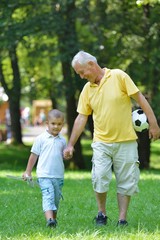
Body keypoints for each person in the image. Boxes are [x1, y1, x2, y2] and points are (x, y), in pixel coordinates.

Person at [63, 51, 160, 227]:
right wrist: (70, 144)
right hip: (101, 142)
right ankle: (102, 214)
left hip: (126, 141)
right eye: (79, 74)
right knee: (99, 177)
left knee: (126, 181)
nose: (82, 76)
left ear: (91, 64)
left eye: (82, 72)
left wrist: (153, 124)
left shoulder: (118, 76)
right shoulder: (87, 89)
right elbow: (81, 118)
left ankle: (122, 219)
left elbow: (140, 100)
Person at [22, 109, 66, 228]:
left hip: (58, 175)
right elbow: (33, 155)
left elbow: (63, 156)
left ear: (63, 124)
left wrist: (67, 155)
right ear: (47, 123)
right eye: (53, 123)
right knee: (48, 197)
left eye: (59, 124)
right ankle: (50, 220)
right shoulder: (41, 138)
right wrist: (28, 171)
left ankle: (53, 221)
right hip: (44, 175)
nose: (56, 126)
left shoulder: (63, 140)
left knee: (56, 200)